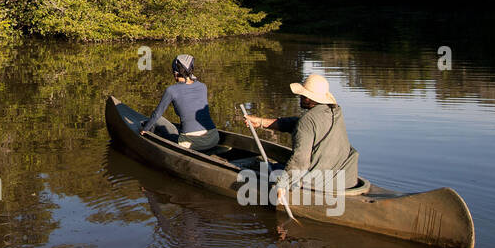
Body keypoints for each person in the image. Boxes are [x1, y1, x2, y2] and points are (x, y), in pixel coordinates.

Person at [245, 74, 358, 204]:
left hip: (320, 183)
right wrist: (261, 122)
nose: (300, 97)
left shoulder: (307, 121)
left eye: (302, 95)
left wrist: (282, 185)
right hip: (347, 179)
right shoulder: (334, 112)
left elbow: (300, 161)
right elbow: (297, 124)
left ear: (309, 99)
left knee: (260, 167)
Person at [141, 55, 220, 151]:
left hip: (190, 143)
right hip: (214, 138)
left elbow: (157, 114)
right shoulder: (203, 87)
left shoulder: (171, 90)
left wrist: (144, 130)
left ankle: (148, 144)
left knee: (157, 121)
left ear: (175, 72)